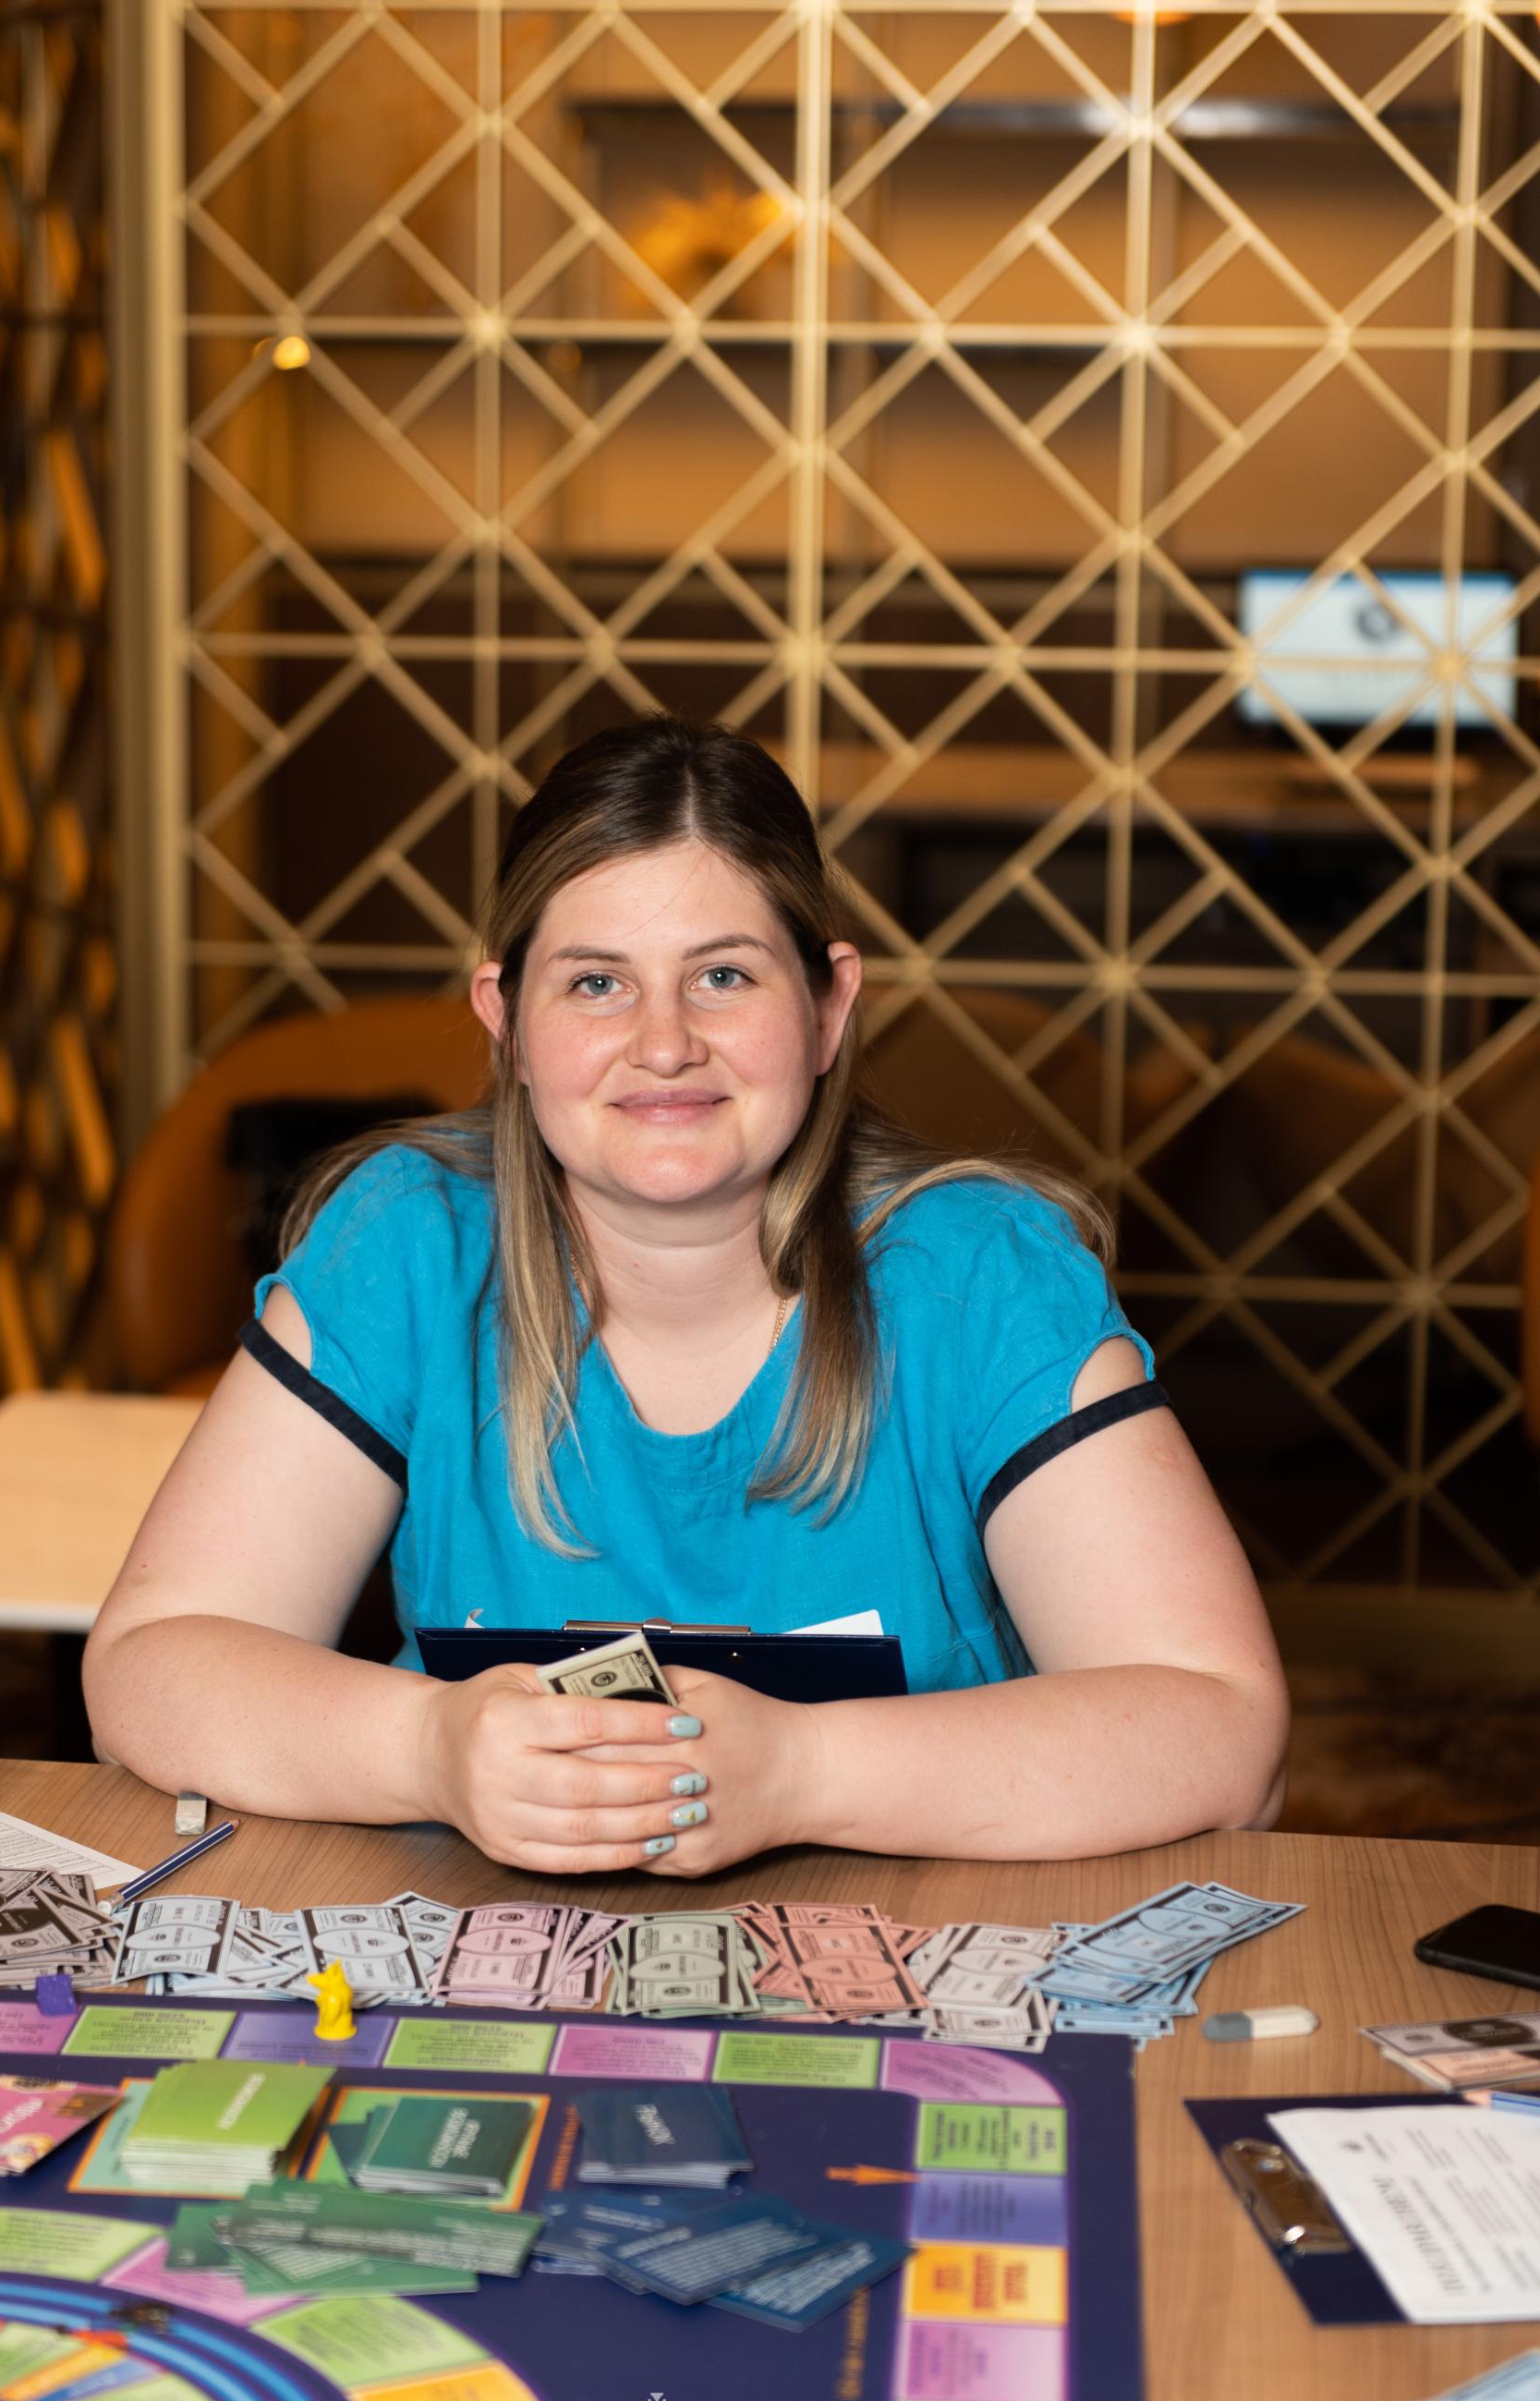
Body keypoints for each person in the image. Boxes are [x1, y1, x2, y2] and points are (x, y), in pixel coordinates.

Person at [84, 717, 1288, 1870]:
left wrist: (800, 1771)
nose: (664, 1044)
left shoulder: (981, 1273)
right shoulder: (409, 1240)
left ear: (827, 1007)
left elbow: (1225, 1731)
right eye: (595, 984)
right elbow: (149, 1663)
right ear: (506, 1021)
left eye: (721, 974)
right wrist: (427, 1750)